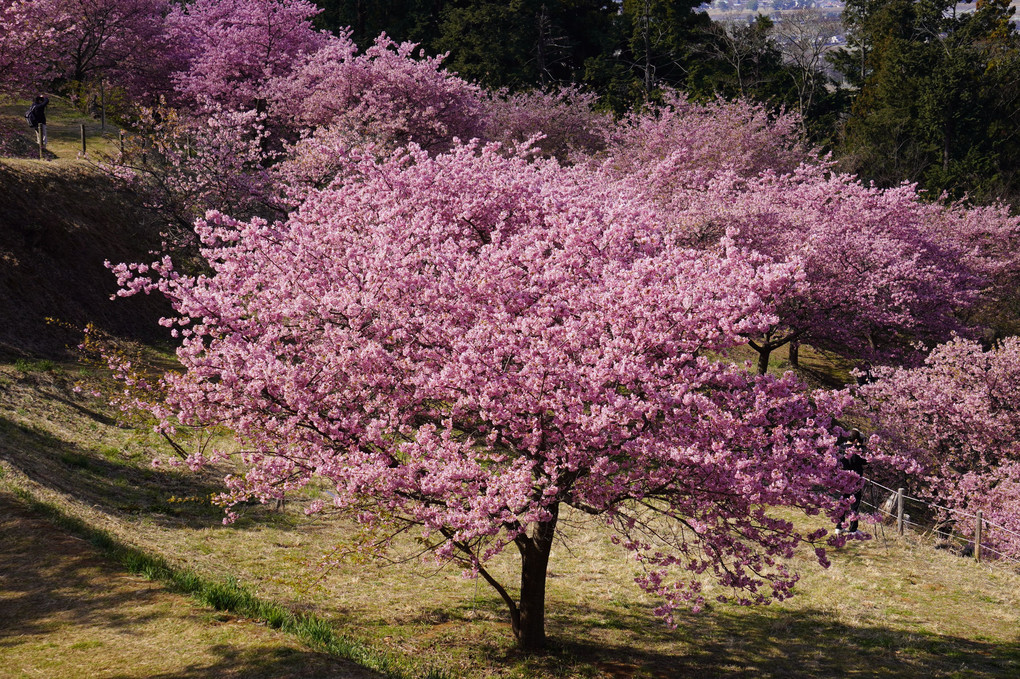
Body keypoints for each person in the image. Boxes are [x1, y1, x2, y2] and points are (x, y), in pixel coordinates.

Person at [835, 429, 867, 536]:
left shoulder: (841, 447)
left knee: (842, 503)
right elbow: (865, 461)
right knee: (854, 504)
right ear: (857, 440)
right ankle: (853, 529)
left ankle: (839, 527)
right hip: (855, 480)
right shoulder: (857, 450)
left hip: (843, 479)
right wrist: (861, 447)